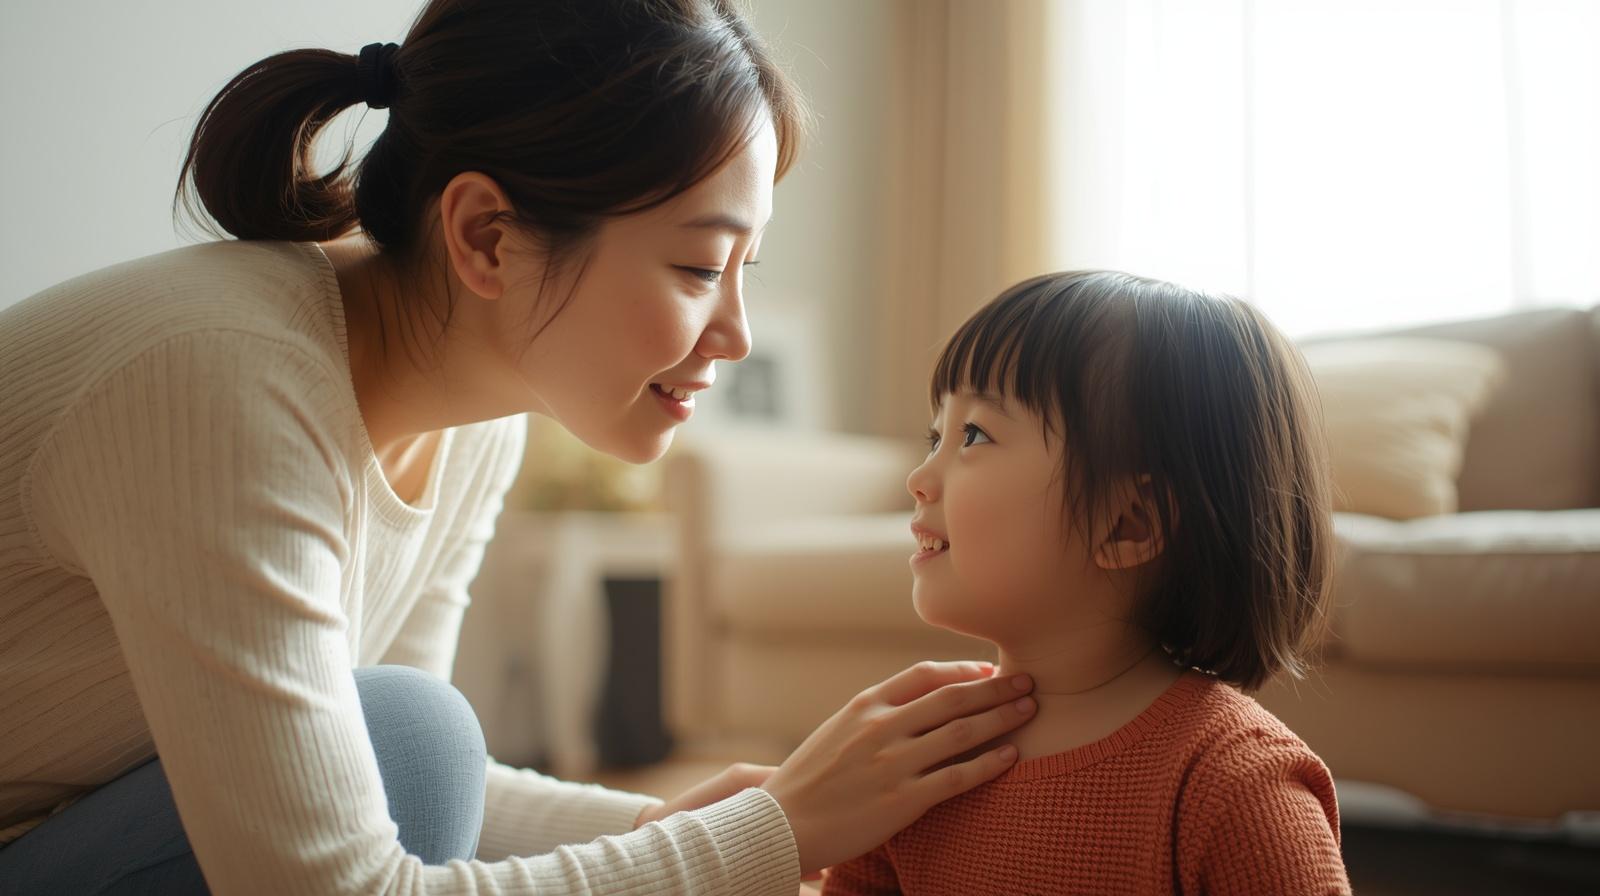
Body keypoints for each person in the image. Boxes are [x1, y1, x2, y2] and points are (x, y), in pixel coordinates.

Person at [0, 1, 1040, 893]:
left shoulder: (476, 414)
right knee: (413, 731)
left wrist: (666, 828)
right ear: (486, 236)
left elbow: (393, 788)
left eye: (742, 268)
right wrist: (765, 840)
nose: (736, 333)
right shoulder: (223, 385)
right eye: (696, 267)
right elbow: (337, 876)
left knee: (413, 736)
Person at [823, 271, 1353, 894]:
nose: (919, 475)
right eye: (935, 435)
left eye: (974, 435)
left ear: (1128, 523)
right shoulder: (915, 759)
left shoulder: (1234, 783)